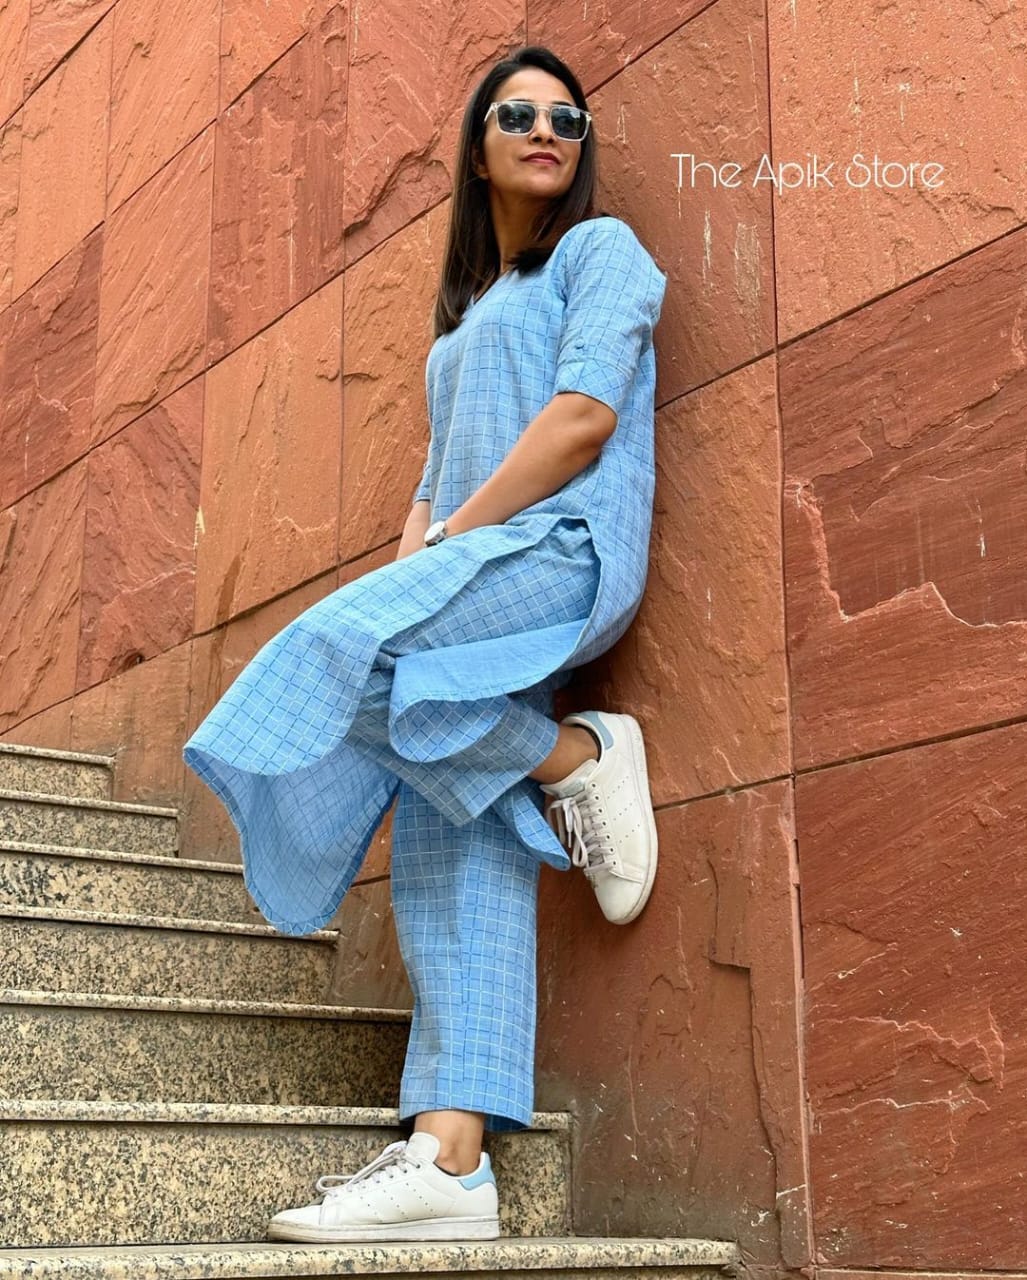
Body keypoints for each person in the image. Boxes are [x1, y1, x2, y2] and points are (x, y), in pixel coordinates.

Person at [181, 43, 667, 1244]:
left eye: (567, 117)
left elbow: (583, 417)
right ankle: (452, 1159)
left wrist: (451, 540)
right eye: (518, 113)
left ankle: (576, 755)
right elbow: (433, 479)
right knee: (454, 840)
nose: (546, 128)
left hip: (557, 551)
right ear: (477, 146)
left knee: (335, 664)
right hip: (471, 561)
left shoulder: (600, 253)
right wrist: (420, 555)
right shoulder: (463, 317)